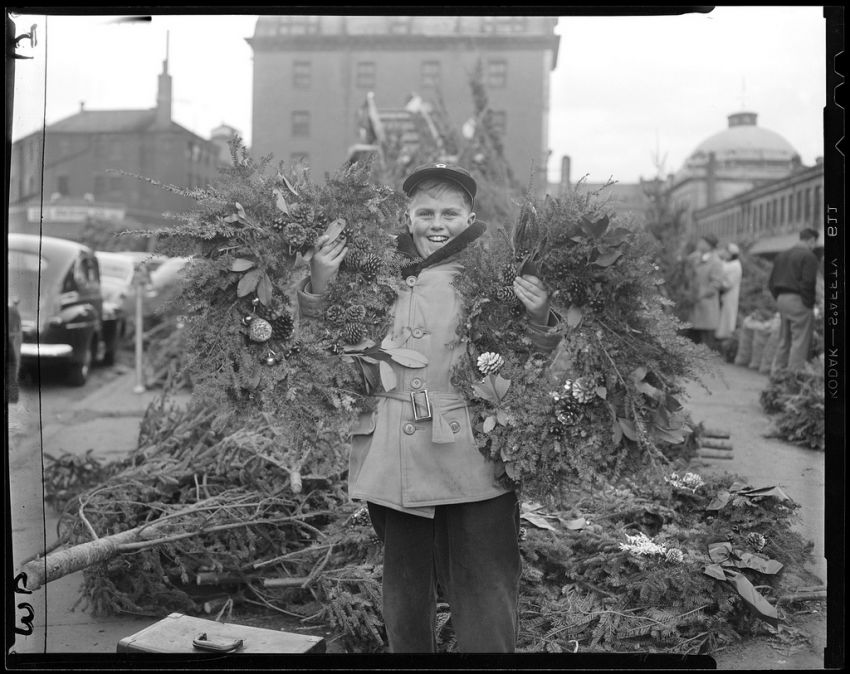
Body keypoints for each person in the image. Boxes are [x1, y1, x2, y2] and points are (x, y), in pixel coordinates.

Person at [297, 163, 561, 653]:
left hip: (474, 448)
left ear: (469, 216)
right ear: (407, 215)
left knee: (484, 581)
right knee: (404, 584)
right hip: (394, 447)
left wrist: (541, 315)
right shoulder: (374, 271)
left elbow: (528, 360)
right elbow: (327, 345)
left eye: (449, 213)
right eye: (425, 212)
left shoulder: (492, 275)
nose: (436, 223)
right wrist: (320, 281)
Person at [768, 228, 820, 373]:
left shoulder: (781, 255)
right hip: (798, 300)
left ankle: (777, 375)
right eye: (814, 243)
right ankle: (792, 378)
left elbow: (771, 283)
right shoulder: (809, 256)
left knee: (784, 340)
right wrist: (808, 304)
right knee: (800, 341)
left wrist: (779, 298)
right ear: (811, 240)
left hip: (782, 299)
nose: (814, 246)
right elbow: (808, 282)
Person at [686, 233, 725, 349]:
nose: (699, 244)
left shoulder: (716, 262)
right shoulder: (696, 258)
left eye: (702, 242)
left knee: (705, 342)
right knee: (692, 341)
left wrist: (700, 295)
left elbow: (715, 284)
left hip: (706, 306)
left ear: (709, 246)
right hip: (695, 305)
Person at [715, 242, 743, 342]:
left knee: (725, 322)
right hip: (721, 295)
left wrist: (717, 283)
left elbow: (728, 283)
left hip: (727, 296)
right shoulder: (726, 262)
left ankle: (723, 341)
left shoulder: (735, 265)